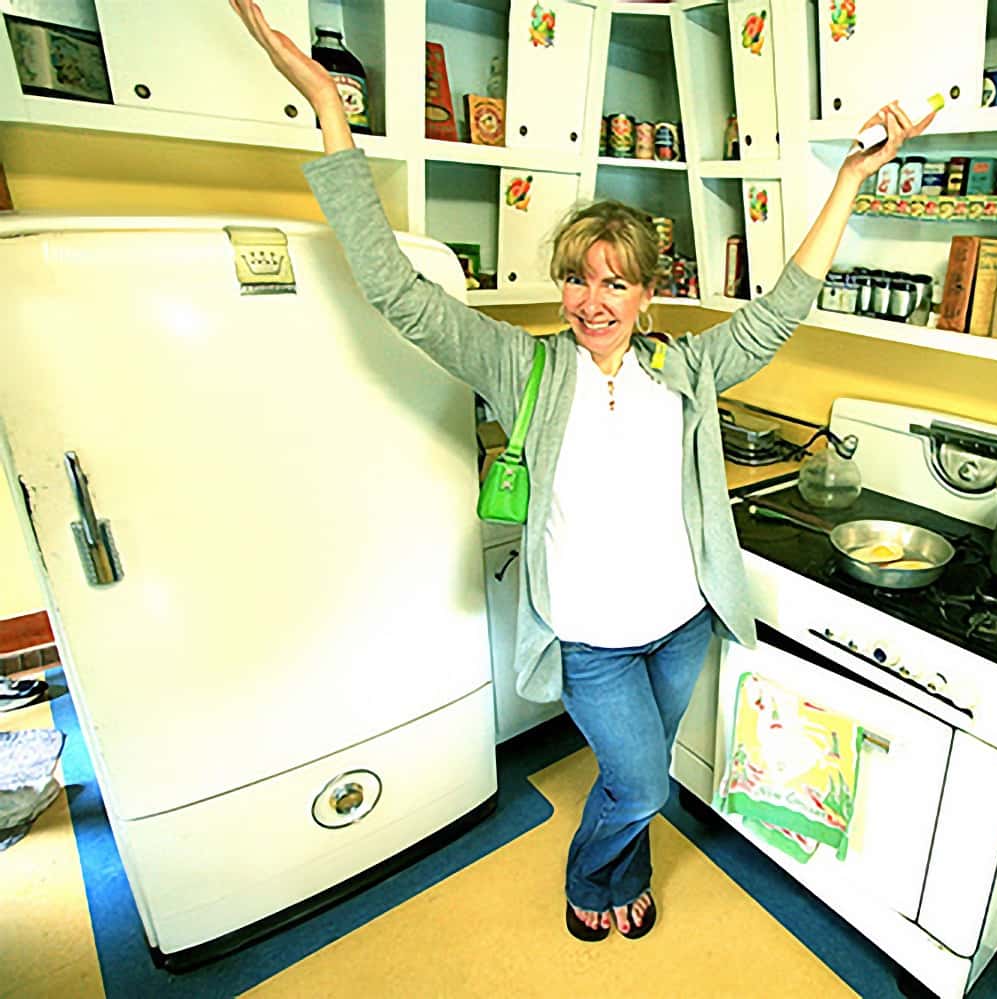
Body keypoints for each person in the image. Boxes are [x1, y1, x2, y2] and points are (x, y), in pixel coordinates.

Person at [230, 0, 932, 944]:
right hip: (593, 641)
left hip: (681, 626)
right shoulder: (525, 366)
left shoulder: (687, 369)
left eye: (613, 281)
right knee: (643, 778)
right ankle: (589, 876)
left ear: (648, 292)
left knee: (628, 776)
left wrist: (849, 175)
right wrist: (330, 111)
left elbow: (785, 304)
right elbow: (396, 290)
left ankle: (622, 871)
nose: (589, 299)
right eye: (575, 277)